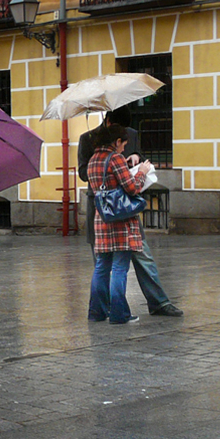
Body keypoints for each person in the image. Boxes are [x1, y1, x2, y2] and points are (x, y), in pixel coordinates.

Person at [77, 106, 183, 317]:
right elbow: (85, 173)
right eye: (121, 138)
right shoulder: (87, 139)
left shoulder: (129, 137)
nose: (125, 141)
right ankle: (116, 311)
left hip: (106, 213)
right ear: (110, 124)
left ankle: (104, 310)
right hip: (115, 210)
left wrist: (132, 158)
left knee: (124, 261)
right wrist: (124, 169)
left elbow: (133, 159)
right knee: (114, 266)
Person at [87, 124, 154, 324]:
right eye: (123, 144)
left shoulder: (93, 160)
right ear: (116, 141)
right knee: (119, 268)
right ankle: (118, 314)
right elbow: (132, 188)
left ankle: (97, 312)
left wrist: (124, 164)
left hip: (102, 218)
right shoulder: (115, 158)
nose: (123, 149)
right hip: (120, 220)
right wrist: (141, 171)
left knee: (101, 267)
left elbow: (108, 181)